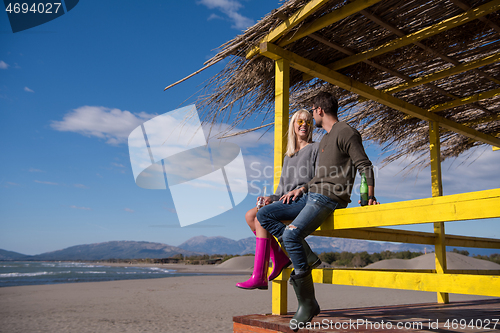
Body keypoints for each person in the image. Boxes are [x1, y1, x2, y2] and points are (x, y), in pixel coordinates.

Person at [257, 92, 379, 328]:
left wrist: (370, 195)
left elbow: (364, 165)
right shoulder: (324, 140)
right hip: (311, 194)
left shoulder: (346, 132)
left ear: (319, 110)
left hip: (329, 197)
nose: (311, 116)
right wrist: (300, 189)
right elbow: (317, 178)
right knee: (265, 214)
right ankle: (308, 255)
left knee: (291, 234)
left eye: (312, 112)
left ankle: (307, 303)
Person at [236, 109, 319, 290]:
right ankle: (279, 258)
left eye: (307, 122)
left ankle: (259, 275)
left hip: (306, 199)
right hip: (288, 201)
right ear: (293, 126)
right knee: (250, 215)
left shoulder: (315, 148)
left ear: (311, 125)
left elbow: (320, 177)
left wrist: (302, 189)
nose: (304, 125)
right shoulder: (288, 156)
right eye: (300, 122)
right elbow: (283, 190)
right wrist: (270, 198)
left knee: (261, 218)